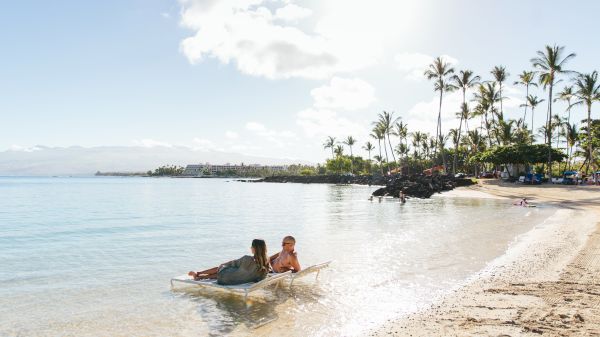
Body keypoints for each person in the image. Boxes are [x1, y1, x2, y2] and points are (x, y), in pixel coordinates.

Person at [188, 239, 270, 285]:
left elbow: (232, 263)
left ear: (254, 248)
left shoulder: (247, 259)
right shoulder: (266, 264)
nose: (250, 247)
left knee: (222, 268)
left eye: (252, 246)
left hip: (224, 280)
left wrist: (223, 264)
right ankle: (200, 277)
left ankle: (198, 273)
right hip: (239, 280)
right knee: (231, 272)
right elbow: (261, 278)